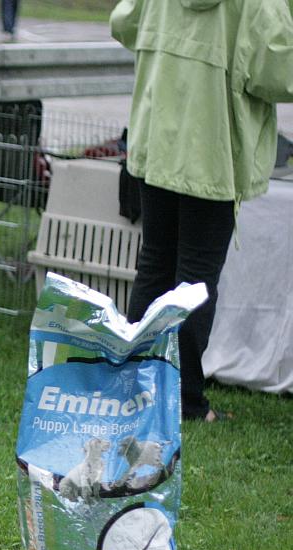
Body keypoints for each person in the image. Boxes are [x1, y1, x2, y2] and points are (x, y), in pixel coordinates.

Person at [110, 0, 293, 422]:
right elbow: (278, 72)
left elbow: (123, 23)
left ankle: (137, 387)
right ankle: (185, 402)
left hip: (157, 140)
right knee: (195, 281)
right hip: (212, 153)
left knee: (154, 267)